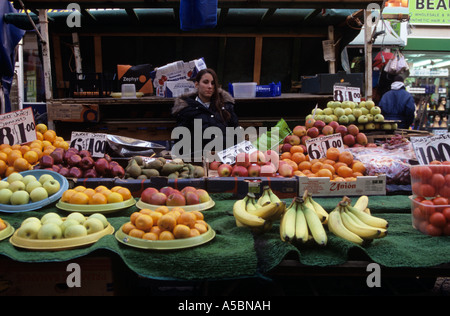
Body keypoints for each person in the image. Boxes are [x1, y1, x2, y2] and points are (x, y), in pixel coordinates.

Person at [171, 68, 240, 160]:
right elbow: (182, 142)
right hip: (198, 160)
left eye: (213, 83)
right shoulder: (187, 109)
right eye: (205, 82)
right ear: (196, 84)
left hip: (225, 159)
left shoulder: (226, 106)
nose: (210, 86)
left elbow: (236, 135)